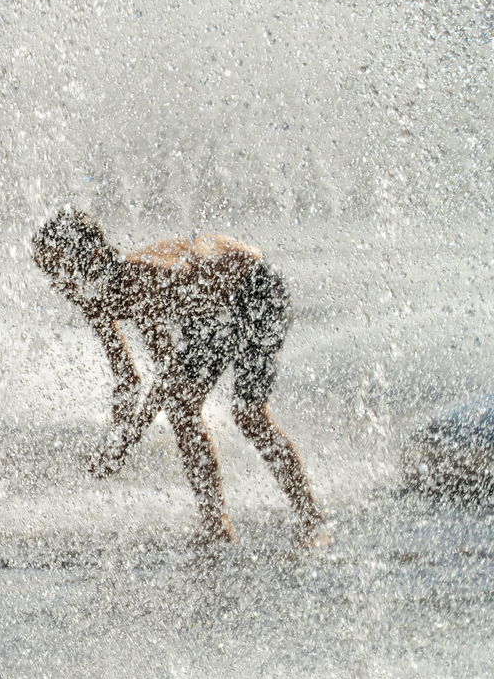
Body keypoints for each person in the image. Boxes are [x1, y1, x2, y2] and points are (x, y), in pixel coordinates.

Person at [29, 207, 329, 548]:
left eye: (59, 269)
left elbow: (167, 374)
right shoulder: (92, 299)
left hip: (255, 288)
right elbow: (127, 379)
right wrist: (115, 441)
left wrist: (126, 443)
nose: (56, 284)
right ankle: (216, 527)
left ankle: (310, 519)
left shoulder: (139, 280)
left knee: (248, 416)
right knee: (182, 409)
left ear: (95, 258)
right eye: (48, 273)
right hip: (208, 308)